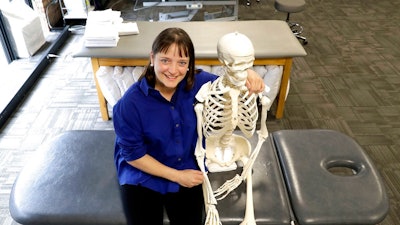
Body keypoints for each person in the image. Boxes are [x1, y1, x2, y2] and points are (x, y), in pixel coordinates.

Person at [113, 27, 265, 225]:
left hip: (186, 164)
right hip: (143, 171)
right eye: (165, 60)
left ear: (189, 65)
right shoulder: (129, 104)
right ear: (152, 58)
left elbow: (228, 82)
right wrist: (177, 176)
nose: (173, 70)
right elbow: (133, 155)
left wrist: (247, 73)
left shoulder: (199, 83)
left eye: (182, 63)